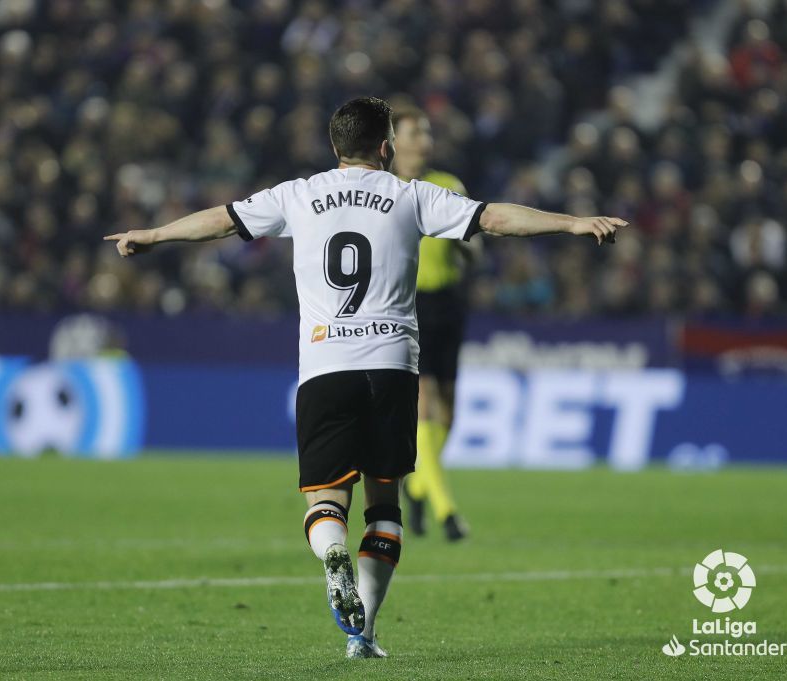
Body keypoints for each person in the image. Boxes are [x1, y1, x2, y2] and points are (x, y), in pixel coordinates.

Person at [105, 96, 625, 660]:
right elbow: (495, 218)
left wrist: (154, 234)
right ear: (386, 147)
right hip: (392, 366)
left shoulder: (298, 195)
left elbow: (221, 220)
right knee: (384, 504)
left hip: (325, 365)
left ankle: (333, 556)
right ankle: (364, 634)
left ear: (335, 147)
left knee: (325, 499)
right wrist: (573, 222)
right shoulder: (411, 194)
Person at [392, 105, 474, 541]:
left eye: (426, 132)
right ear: (394, 141)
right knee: (423, 400)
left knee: (449, 407)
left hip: (448, 302)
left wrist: (468, 250)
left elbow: (472, 242)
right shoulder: (382, 189)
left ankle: (418, 484)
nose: (424, 139)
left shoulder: (448, 186)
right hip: (407, 303)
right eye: (415, 132)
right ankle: (448, 512)